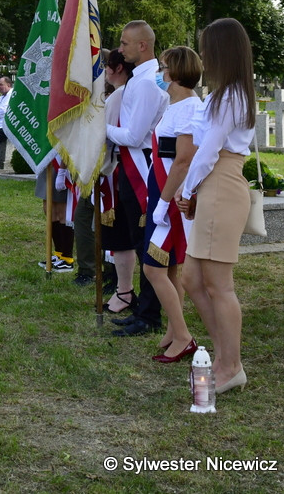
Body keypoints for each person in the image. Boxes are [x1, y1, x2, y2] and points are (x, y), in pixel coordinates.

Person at [175, 18, 256, 394]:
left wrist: (188, 190)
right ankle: (225, 358)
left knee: (219, 285)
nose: (203, 54)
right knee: (192, 278)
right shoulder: (226, 94)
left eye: (207, 47)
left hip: (220, 182)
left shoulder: (231, 96)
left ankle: (230, 364)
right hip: (214, 184)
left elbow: (208, 151)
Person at [107, 20, 169, 337]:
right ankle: (143, 309)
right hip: (134, 164)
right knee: (137, 238)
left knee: (145, 241)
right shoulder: (143, 79)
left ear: (142, 45)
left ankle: (149, 316)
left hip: (141, 167)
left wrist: (100, 129)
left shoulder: (147, 83)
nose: (121, 48)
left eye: (126, 43)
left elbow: (133, 135)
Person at [142, 46, 203, 363]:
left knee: (152, 268)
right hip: (162, 192)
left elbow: (182, 160)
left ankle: (183, 336)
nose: (159, 72)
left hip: (173, 198)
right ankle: (172, 329)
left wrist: (164, 203)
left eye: (163, 66)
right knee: (170, 267)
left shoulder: (191, 108)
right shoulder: (175, 105)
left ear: (175, 72)